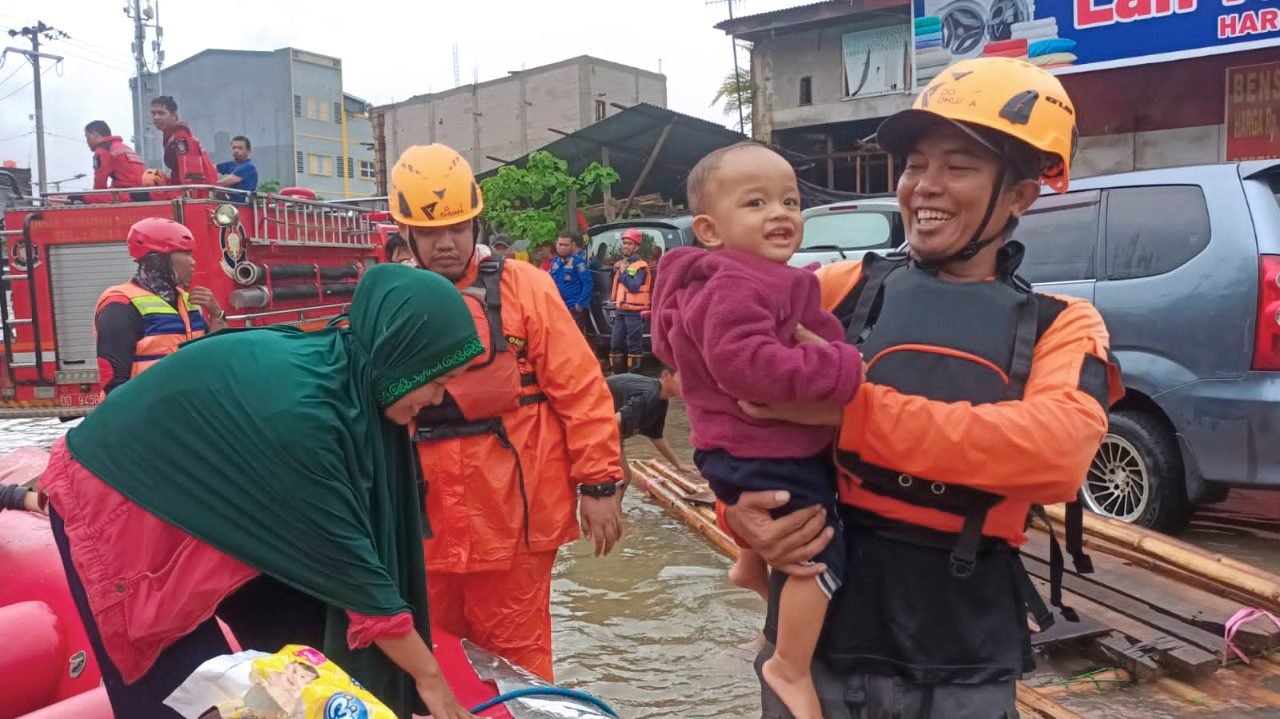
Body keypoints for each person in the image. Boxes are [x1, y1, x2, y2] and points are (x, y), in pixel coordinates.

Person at [723, 58, 1123, 719]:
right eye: (915, 163)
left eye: (958, 166)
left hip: (962, 656)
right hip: (821, 644)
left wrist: (848, 411)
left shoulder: (1061, 324)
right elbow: (726, 395)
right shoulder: (837, 290)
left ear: (1020, 195)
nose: (924, 186)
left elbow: (1058, 455)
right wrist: (736, 511)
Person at [43, 263, 483, 719]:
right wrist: (431, 682)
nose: (437, 401)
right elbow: (360, 583)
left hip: (222, 501)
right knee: (190, 700)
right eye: (438, 382)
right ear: (400, 357)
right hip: (121, 504)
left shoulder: (351, 371)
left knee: (318, 667)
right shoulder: (308, 417)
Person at [389, 144, 624, 681]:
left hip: (513, 522)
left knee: (518, 666)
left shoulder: (526, 287)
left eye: (457, 227)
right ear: (407, 235)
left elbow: (581, 392)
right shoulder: (388, 301)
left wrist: (601, 486)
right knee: (430, 662)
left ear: (476, 221)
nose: (446, 243)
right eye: (430, 232)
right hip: (422, 526)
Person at [651, 141, 863, 719]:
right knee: (820, 556)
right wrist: (844, 367)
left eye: (790, 200)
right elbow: (748, 368)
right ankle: (788, 666)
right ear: (709, 229)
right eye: (756, 202)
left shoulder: (746, 278)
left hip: (735, 451)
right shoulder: (738, 284)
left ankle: (748, 562)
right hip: (760, 452)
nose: (780, 213)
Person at [94, 217, 226, 399]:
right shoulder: (120, 306)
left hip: (185, 410)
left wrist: (216, 315)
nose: (193, 262)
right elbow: (114, 385)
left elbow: (213, 356)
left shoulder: (188, 301)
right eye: (186, 253)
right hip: (145, 417)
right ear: (158, 259)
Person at [607, 369, 690, 491]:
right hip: (591, 421)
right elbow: (613, 422)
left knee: (622, 476)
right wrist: (619, 450)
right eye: (683, 380)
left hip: (603, 428)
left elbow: (656, 436)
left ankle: (615, 509)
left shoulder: (660, 401)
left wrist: (678, 464)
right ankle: (614, 510)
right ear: (666, 375)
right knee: (623, 476)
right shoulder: (649, 394)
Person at [609, 228, 651, 374]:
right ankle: (617, 376)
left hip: (634, 312)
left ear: (636, 246)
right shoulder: (624, 263)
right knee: (616, 344)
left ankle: (633, 376)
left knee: (634, 345)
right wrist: (617, 269)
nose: (625, 246)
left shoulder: (640, 266)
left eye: (629, 243)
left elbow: (633, 286)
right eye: (624, 243)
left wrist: (622, 271)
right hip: (621, 310)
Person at [150, 96, 218, 186]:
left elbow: (191, 174)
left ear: (174, 115)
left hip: (196, 192)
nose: (156, 117)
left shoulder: (180, 136)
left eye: (161, 113)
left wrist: (188, 197)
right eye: (153, 113)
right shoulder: (171, 135)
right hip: (189, 188)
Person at [83, 120, 145, 204]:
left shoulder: (103, 150)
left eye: (87, 137)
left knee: (84, 197)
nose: (87, 141)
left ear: (94, 134)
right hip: (143, 193)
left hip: (126, 195)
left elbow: (100, 183)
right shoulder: (125, 148)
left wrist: (94, 198)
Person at [549, 235, 593, 334]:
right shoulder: (554, 263)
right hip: (559, 307)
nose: (563, 247)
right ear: (556, 245)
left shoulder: (578, 262)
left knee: (576, 337)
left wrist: (580, 304)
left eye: (566, 245)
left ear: (572, 245)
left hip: (573, 308)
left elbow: (588, 284)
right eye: (560, 244)